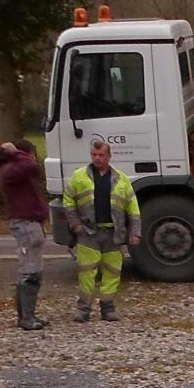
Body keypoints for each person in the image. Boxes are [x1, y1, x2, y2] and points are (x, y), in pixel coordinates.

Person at [62, 138, 142, 323]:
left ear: (109, 156)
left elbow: (133, 207)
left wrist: (135, 232)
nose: (97, 158)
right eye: (94, 155)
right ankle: (84, 310)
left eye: (101, 155)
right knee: (87, 273)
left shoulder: (121, 179)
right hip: (88, 233)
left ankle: (108, 308)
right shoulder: (79, 176)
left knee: (112, 272)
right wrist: (76, 225)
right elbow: (68, 201)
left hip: (113, 233)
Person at [0, 138, 50, 330]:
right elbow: (30, 167)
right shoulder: (12, 170)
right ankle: (26, 318)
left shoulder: (14, 171)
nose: (33, 159)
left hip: (30, 223)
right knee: (29, 271)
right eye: (32, 154)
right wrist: (16, 152)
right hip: (25, 224)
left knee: (33, 269)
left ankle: (28, 315)